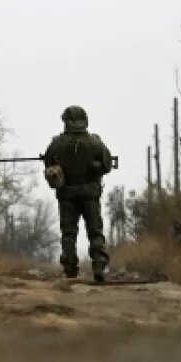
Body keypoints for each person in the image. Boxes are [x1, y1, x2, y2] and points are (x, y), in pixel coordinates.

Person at [43, 105, 114, 282]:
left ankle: (70, 268)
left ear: (66, 121)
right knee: (95, 231)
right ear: (85, 120)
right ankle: (98, 263)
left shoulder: (57, 143)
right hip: (90, 193)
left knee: (69, 232)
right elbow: (107, 164)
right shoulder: (94, 142)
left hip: (67, 194)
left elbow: (48, 162)